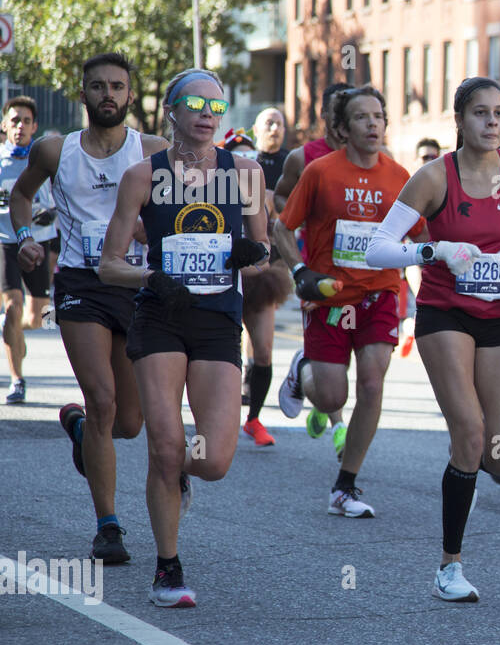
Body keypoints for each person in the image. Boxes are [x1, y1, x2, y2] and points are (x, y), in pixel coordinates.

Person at [367, 76, 500, 601]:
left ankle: (466, 468)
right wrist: (434, 252)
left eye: (499, 114)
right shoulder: (432, 178)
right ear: (459, 120)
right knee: (469, 432)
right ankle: (449, 566)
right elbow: (378, 249)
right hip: (446, 314)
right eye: (480, 114)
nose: (491, 123)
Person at [98, 67, 270, 606]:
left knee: (213, 459)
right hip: (160, 317)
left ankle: (176, 475)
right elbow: (109, 265)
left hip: (218, 320)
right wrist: (151, 276)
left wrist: (251, 255)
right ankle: (167, 570)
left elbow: (263, 252)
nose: (206, 116)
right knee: (166, 444)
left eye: (217, 108)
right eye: (194, 105)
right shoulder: (142, 176)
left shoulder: (245, 173)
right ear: (170, 110)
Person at [8, 52, 168, 565]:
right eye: (97, 86)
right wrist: (27, 238)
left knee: (129, 423)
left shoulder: (154, 151)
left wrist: (156, 230)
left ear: (129, 95)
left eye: (117, 86)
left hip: (136, 285)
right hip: (81, 283)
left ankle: (79, 429)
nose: (107, 95)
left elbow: (184, 207)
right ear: (82, 95)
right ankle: (108, 526)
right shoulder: (55, 150)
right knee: (102, 401)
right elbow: (21, 197)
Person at [274, 86, 419, 518]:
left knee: (372, 383)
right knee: (332, 396)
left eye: (379, 116)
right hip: (329, 297)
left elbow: (424, 236)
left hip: (379, 296)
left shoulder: (399, 177)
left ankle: (345, 485)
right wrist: (300, 273)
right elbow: (283, 228)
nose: (373, 124)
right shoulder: (320, 171)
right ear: (342, 127)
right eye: (362, 117)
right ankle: (303, 371)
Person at [274, 83, 351, 456]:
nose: (343, 124)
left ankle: (307, 378)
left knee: (348, 355)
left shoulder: (372, 158)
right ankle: (340, 428)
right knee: (332, 352)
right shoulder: (304, 158)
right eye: (338, 114)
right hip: (317, 267)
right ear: (325, 117)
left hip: (362, 272)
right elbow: (280, 198)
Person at [224, 127, 294, 446]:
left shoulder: (261, 192)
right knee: (222, 350)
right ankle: (217, 416)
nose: (244, 159)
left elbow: (279, 228)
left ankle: (253, 420)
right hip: (219, 276)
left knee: (263, 350)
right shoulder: (208, 186)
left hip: (257, 277)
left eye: (249, 155)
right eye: (237, 154)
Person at [1, 96, 60, 403]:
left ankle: (13, 329)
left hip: (39, 241)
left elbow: (61, 198)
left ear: (35, 126)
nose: (20, 126)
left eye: (26, 121)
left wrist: (51, 213)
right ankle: (17, 379)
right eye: (14, 121)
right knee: (12, 308)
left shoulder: (44, 159)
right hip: (5, 242)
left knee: (36, 317)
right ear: (4, 125)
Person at [253, 106, 291, 192]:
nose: (275, 128)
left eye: (279, 124)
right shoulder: (246, 159)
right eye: (269, 123)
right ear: (255, 130)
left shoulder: (291, 161)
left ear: (284, 131)